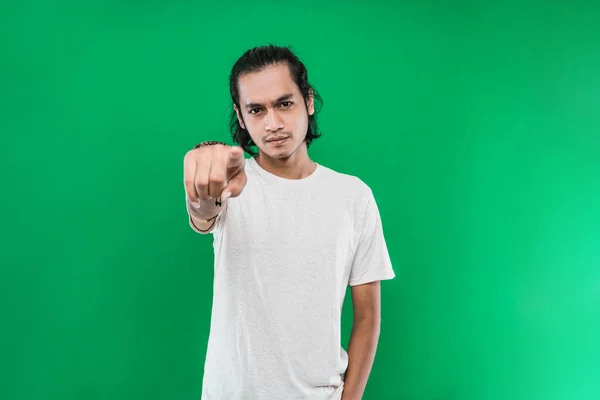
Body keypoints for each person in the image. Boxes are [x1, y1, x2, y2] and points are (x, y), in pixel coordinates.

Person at [183, 45, 395, 400]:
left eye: (284, 104)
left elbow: (367, 316)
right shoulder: (231, 183)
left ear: (307, 100)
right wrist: (203, 197)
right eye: (256, 110)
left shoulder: (353, 196)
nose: (273, 124)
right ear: (240, 113)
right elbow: (204, 213)